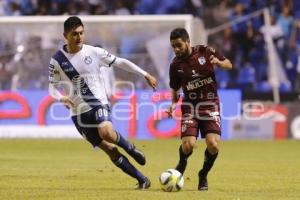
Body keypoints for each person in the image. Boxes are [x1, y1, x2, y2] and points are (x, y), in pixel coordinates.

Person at [48, 16, 157, 189]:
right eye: (74, 34)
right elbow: (52, 87)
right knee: (110, 150)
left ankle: (130, 148)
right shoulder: (57, 60)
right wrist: (61, 97)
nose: (79, 37)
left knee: (106, 131)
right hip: (78, 113)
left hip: (97, 102)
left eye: (81, 33)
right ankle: (142, 180)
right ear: (65, 35)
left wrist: (145, 74)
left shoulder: (93, 52)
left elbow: (120, 62)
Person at [166, 28, 232, 191]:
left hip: (210, 104)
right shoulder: (175, 65)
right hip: (190, 106)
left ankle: (203, 174)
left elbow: (229, 64)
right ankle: (182, 164)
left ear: (188, 41)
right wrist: (174, 104)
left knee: (213, 144)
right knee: (188, 145)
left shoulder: (205, 51)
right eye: (173, 46)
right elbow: (175, 90)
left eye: (179, 45)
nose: (176, 49)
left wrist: (219, 63)